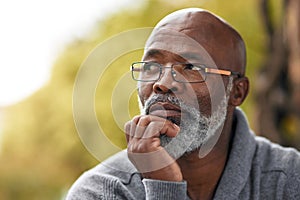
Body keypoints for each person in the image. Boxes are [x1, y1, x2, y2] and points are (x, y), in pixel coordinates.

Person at [66, 8, 300, 199]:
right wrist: (163, 187)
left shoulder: (288, 178)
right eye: (150, 67)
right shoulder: (101, 191)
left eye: (191, 68)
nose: (162, 83)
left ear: (236, 92)